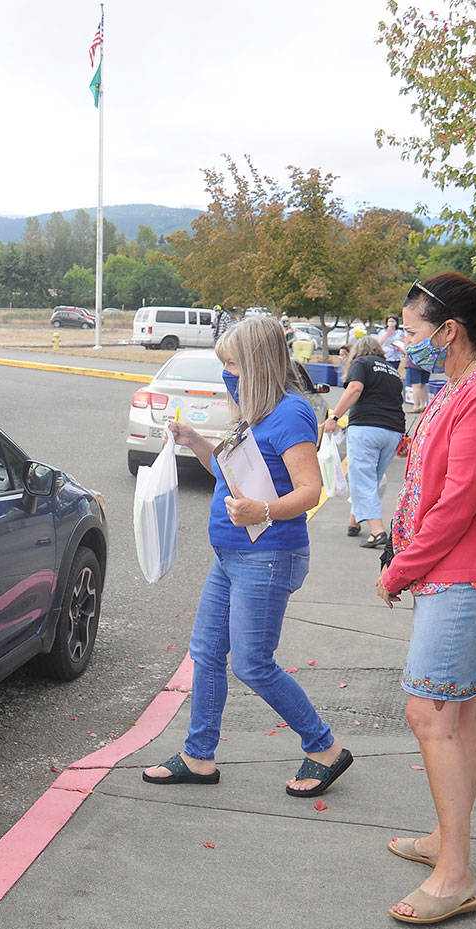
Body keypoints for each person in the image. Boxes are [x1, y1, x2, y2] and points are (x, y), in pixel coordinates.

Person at [143, 316, 352, 797]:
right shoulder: (256, 412)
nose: (226, 372)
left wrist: (264, 510)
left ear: (256, 364)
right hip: (233, 554)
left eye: (232, 363)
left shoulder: (292, 413)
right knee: (208, 654)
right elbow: (231, 475)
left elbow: (309, 490)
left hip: (268, 555)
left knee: (253, 663)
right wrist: (195, 442)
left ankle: (325, 747)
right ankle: (198, 757)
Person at [376, 273, 476, 925]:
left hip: (470, 572)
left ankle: (455, 871)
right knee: (458, 712)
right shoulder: (462, 382)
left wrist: (399, 567)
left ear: (448, 332)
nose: (402, 340)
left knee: (430, 711)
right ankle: (448, 838)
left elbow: (459, 503)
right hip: (454, 569)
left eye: (411, 330)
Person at [322, 336, 404, 547]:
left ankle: (378, 531)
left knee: (363, 481)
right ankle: (354, 522)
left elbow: (354, 389)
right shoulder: (393, 371)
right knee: (371, 479)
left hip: (367, 427)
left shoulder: (361, 363)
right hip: (393, 431)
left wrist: (334, 417)